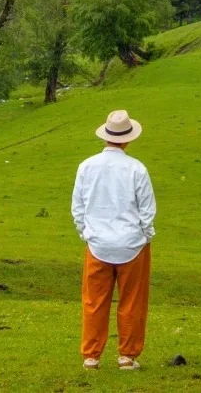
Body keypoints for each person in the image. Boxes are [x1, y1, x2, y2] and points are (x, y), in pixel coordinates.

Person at [71, 109, 156, 371]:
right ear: (128, 139)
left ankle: (91, 356)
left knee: (94, 301)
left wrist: (86, 232)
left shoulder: (86, 166)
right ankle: (127, 356)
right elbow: (147, 209)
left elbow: (78, 207)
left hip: (97, 244)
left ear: (106, 136)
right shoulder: (137, 169)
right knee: (132, 301)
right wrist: (145, 235)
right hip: (131, 243)